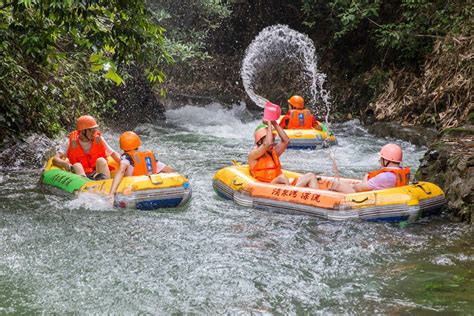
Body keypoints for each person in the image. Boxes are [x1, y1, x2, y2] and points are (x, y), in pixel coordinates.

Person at [248, 120, 319, 188]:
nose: (273, 143)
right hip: (266, 186)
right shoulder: (253, 155)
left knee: (311, 175)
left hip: (281, 187)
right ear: (260, 142)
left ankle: (317, 198)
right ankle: (289, 196)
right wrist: (269, 123)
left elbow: (286, 141)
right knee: (282, 178)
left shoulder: (274, 152)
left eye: (273, 139)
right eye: (270, 139)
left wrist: (274, 123)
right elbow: (267, 143)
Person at [52, 115, 120, 180]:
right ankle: (84, 186)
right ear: (82, 131)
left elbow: (113, 153)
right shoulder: (70, 143)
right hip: (81, 174)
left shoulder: (99, 139)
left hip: (97, 173)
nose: (94, 133)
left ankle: (105, 182)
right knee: (77, 165)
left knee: (101, 160)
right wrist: (65, 165)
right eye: (91, 130)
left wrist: (125, 164)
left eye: (94, 130)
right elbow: (55, 159)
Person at [108, 131, 175, 196]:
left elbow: (121, 171)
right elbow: (169, 170)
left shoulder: (126, 157)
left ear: (122, 147)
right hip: (152, 186)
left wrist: (112, 192)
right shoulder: (148, 157)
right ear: (138, 145)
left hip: (134, 187)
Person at [330, 143, 411, 193]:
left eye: (381, 159)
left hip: (369, 199)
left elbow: (359, 188)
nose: (380, 160)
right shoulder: (404, 172)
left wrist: (352, 186)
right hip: (390, 194)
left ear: (386, 160)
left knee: (337, 184)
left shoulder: (385, 177)